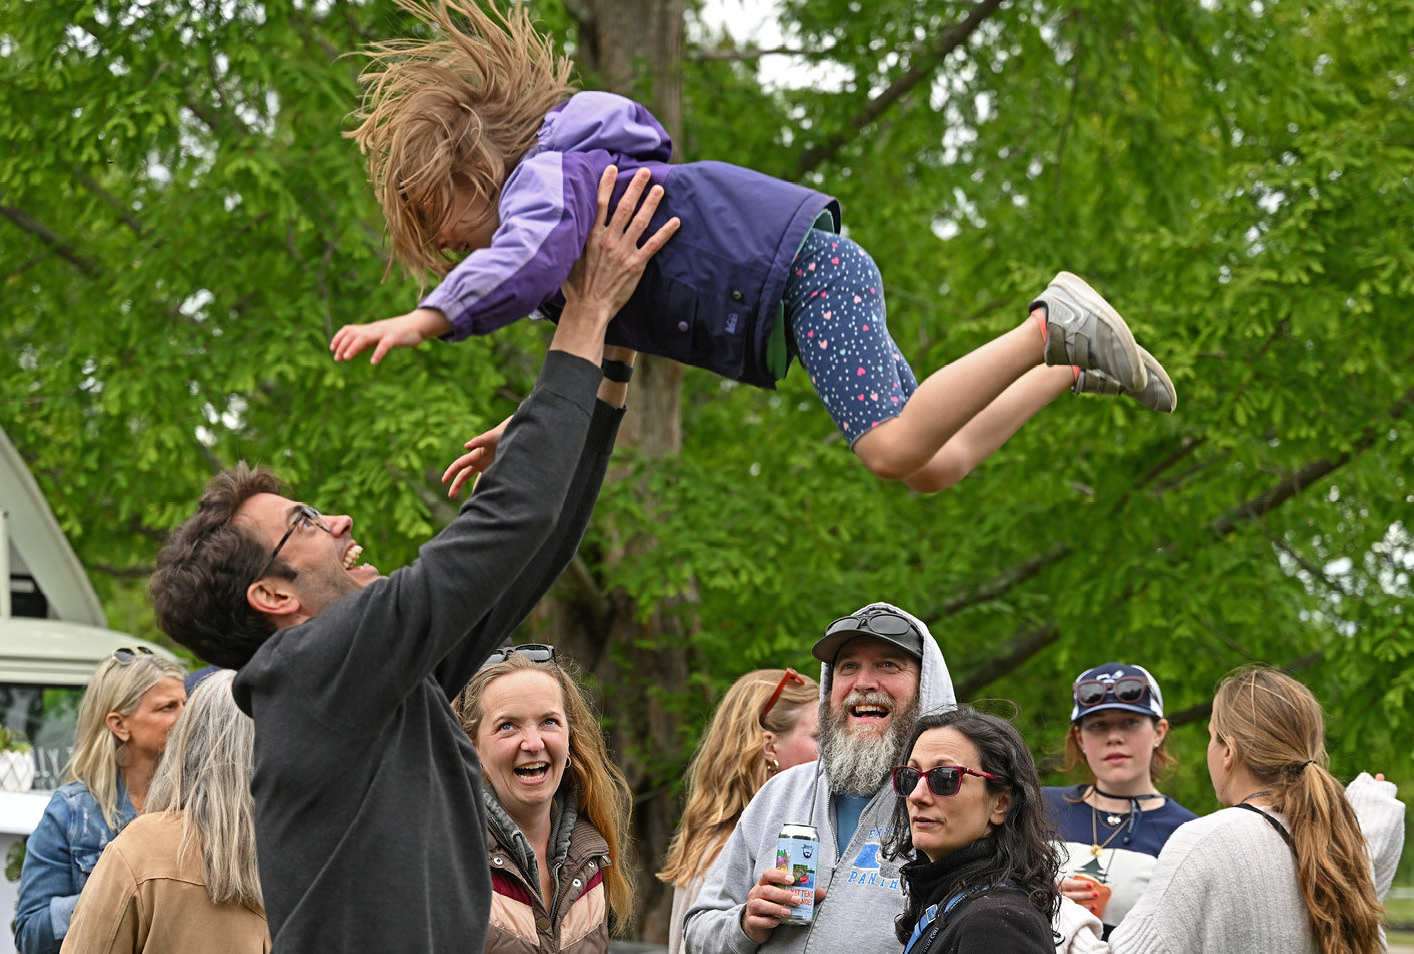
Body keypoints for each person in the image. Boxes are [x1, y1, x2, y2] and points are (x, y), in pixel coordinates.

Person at [328, 0, 1177, 496]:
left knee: (887, 446)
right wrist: (523, 427)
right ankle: (1063, 366)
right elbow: (600, 336)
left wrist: (428, 317)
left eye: (443, 215)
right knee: (930, 463)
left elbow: (516, 261)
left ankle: (1049, 324)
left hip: (803, 275)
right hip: (804, 277)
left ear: (483, 172)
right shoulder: (568, 228)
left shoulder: (546, 184)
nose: (444, 242)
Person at [146, 168, 676, 954]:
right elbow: (506, 521)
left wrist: (607, 371)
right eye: (303, 522)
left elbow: (532, 547)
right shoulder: (312, 671)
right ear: (271, 596)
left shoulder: (377, 685)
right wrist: (586, 313)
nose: (338, 519)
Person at [681, 603, 957, 953]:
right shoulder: (781, 793)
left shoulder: (949, 799)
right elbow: (697, 932)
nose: (863, 683)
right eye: (848, 666)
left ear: (927, 686)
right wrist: (745, 924)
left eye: (888, 664)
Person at [1103, 666, 1405, 954]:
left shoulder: (1206, 842)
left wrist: (1067, 915)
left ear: (1229, 752)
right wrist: (1364, 827)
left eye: (1211, 736)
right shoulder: (1339, 845)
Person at [61, 671, 269, 953]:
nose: (174, 718)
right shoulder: (315, 849)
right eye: (167, 706)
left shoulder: (143, 846)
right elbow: (31, 925)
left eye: (181, 707)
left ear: (189, 737)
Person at [455, 644, 633, 953]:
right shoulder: (448, 860)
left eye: (549, 721)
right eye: (506, 726)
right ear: (473, 748)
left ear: (569, 736)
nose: (534, 743)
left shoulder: (591, 854)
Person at [14, 648, 186, 954]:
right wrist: (114, 893)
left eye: (187, 704)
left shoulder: (201, 802)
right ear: (119, 724)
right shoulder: (72, 811)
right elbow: (30, 936)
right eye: (168, 707)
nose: (186, 717)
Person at [660, 668, 822, 954]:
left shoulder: (716, 835)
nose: (829, 750)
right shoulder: (731, 845)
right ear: (770, 746)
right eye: (819, 736)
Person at [883, 707, 1062, 953]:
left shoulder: (996, 923)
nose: (916, 795)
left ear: (1001, 804)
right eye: (910, 777)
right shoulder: (957, 904)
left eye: (944, 777)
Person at [1042, 663, 1196, 937]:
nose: (1114, 737)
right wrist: (1030, 890)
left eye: (1130, 723)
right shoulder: (1038, 807)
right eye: (1098, 725)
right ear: (1079, 737)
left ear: (1159, 731)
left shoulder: (1190, 833)